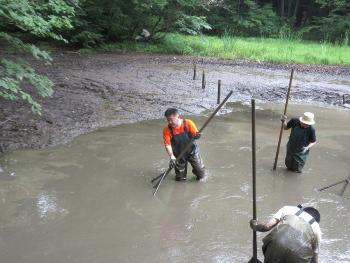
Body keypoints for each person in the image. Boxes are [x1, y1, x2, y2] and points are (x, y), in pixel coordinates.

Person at [250, 205, 322, 263]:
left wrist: (254, 225)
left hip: (275, 244)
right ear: (316, 220)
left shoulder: (289, 209)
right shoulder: (317, 228)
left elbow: (266, 227)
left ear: (302, 209)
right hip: (298, 256)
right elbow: (314, 259)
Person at [163, 108, 206, 181]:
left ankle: (196, 172)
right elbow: (168, 145)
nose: (170, 122)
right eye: (168, 120)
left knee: (201, 174)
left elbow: (196, 135)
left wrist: (198, 136)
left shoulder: (188, 123)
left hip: (192, 151)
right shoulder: (167, 130)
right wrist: (172, 156)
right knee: (180, 179)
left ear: (178, 117)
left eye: (171, 119)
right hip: (178, 155)